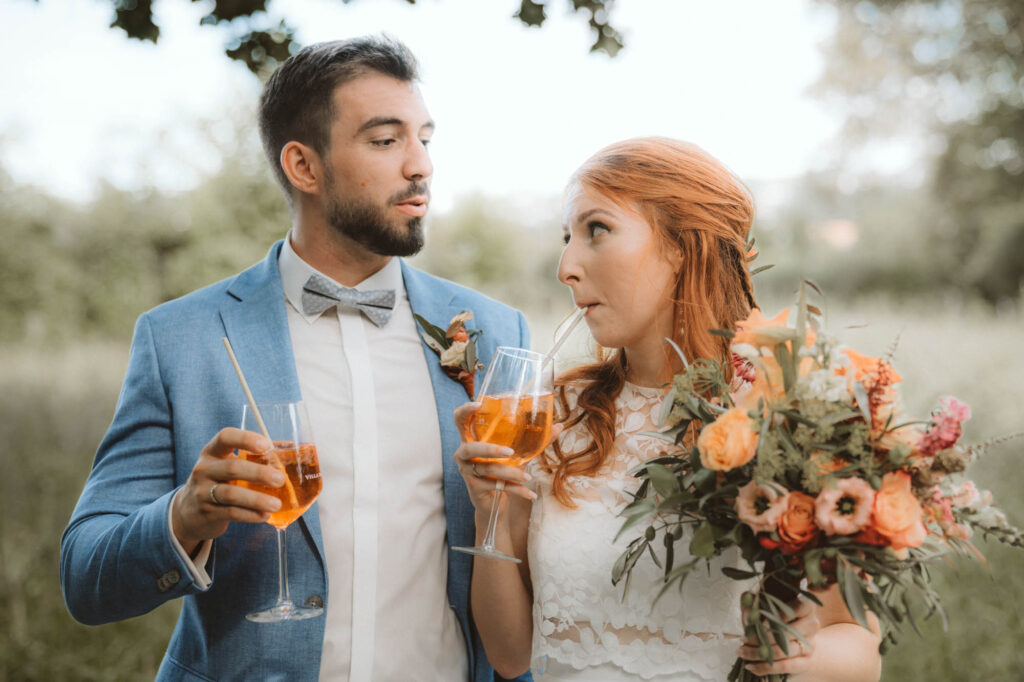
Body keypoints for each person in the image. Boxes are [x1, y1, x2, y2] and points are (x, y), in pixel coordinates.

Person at [60, 35, 529, 682]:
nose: (420, 165)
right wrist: (187, 514)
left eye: (425, 137)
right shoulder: (182, 339)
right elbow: (86, 579)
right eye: (386, 140)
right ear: (304, 167)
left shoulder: (496, 332)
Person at [454, 138, 883, 681]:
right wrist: (490, 505)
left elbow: (859, 645)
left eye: (596, 230)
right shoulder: (556, 416)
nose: (566, 266)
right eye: (567, 238)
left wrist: (800, 659)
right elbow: (509, 654)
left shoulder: (786, 409)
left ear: (683, 246)